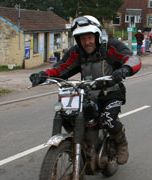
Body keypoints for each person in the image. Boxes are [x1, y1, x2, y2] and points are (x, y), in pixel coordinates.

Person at [29, 15, 141, 165]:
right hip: (88, 93)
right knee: (67, 114)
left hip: (111, 93)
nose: (87, 42)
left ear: (97, 35)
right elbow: (61, 67)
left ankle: (121, 143)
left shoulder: (110, 47)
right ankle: (81, 145)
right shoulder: (77, 52)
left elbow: (132, 59)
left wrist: (125, 69)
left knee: (107, 119)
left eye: (89, 37)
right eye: (82, 39)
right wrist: (43, 75)